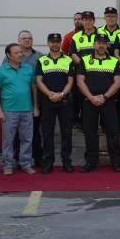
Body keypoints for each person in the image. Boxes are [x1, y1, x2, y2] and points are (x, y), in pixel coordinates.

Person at [76, 35, 120, 172]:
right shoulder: (84, 61)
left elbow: (118, 83)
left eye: (104, 43)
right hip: (89, 101)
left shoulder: (114, 61)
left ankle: (116, 161)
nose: (101, 46)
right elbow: (80, 81)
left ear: (107, 45)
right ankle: (91, 162)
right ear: (94, 44)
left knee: (112, 131)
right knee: (90, 132)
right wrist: (91, 97)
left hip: (108, 101)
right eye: (99, 43)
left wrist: (105, 96)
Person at [0, 44, 37, 176]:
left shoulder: (28, 68)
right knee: (8, 139)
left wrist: (35, 106)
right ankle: (8, 165)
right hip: (8, 111)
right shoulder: (1, 71)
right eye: (16, 53)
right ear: (8, 55)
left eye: (20, 52)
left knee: (27, 139)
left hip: (27, 110)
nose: (20, 55)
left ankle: (26, 164)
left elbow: (33, 88)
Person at [35, 34, 74, 174]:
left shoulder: (68, 60)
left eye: (58, 42)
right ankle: (48, 162)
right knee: (47, 133)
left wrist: (62, 94)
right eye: (53, 42)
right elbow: (39, 81)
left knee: (67, 133)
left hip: (65, 101)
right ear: (48, 43)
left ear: (60, 43)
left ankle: (67, 162)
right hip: (47, 100)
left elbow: (71, 81)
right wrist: (50, 94)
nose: (55, 44)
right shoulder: (42, 60)